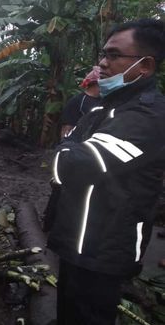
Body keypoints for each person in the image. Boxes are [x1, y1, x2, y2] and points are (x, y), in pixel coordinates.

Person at [47, 19, 165, 325]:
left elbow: (71, 165)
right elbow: (65, 154)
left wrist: (64, 153)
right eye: (103, 54)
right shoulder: (102, 108)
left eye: (114, 55)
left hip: (105, 249)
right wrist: (66, 153)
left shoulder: (150, 115)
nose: (102, 62)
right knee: (66, 312)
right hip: (73, 237)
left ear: (145, 66)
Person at [60, 66, 101, 139]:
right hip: (80, 144)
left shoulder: (104, 100)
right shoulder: (78, 101)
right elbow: (67, 129)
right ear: (97, 82)